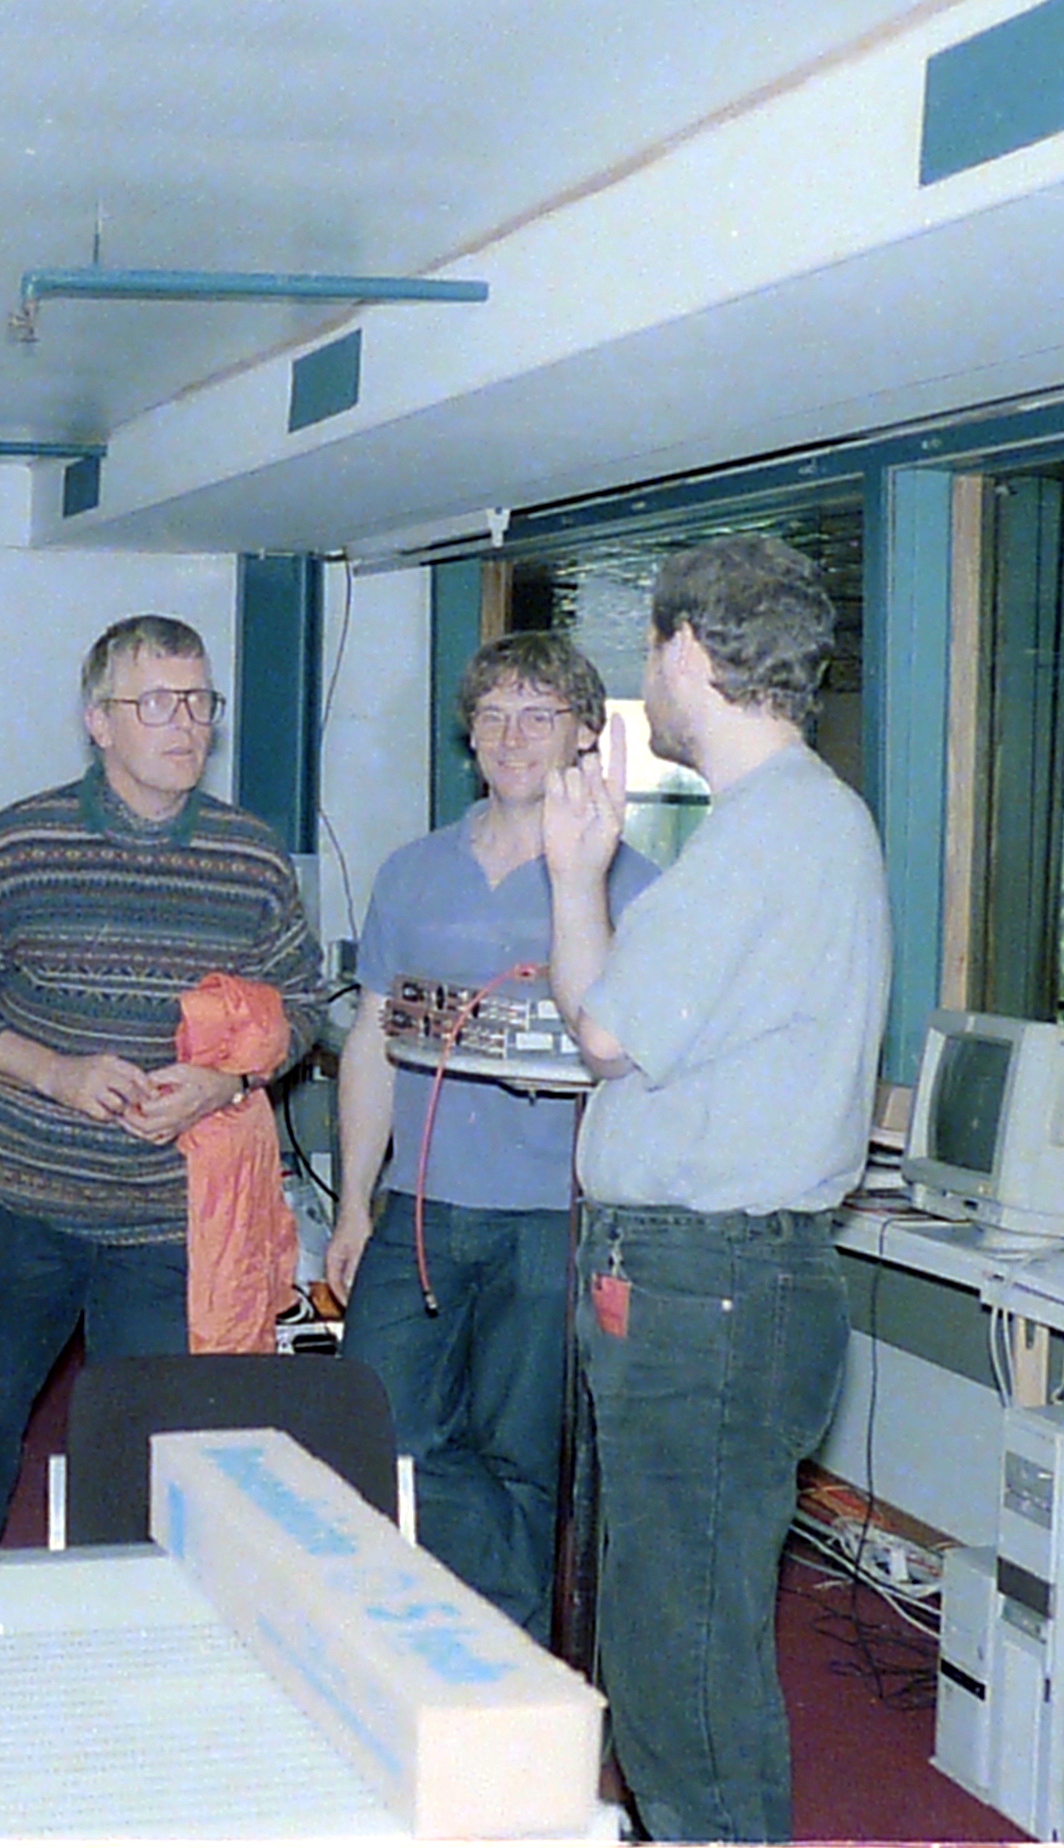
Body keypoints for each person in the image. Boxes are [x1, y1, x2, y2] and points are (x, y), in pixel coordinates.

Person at [542, 535, 891, 1842]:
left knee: (678, 1657)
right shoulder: (787, 823)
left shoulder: (773, 831)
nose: (648, 679)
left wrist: (577, 878)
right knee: (668, 1632)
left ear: (687, 649)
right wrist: (579, 877)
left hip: (711, 1286)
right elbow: (611, 1018)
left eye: (649, 649)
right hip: (704, 1281)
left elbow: (599, 1033)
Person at [0, 613, 325, 1550]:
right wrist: (54, 1073)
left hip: (166, 1219)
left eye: (200, 702)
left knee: (152, 1449)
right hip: (22, 1199)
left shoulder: (252, 859)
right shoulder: (17, 845)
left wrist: (226, 1080)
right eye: (158, 704)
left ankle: (134, 1609)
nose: (187, 724)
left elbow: (300, 1004)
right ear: (99, 721)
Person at [326, 632, 658, 1644]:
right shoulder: (412, 872)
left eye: (539, 715)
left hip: (555, 1222)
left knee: (526, 1451)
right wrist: (352, 1207)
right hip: (422, 1209)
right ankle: (425, 1629)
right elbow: (370, 1042)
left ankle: (505, 1658)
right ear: (467, 735)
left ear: (586, 735)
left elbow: (652, 1070)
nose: (512, 738)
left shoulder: (635, 888)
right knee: (376, 1427)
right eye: (493, 715)